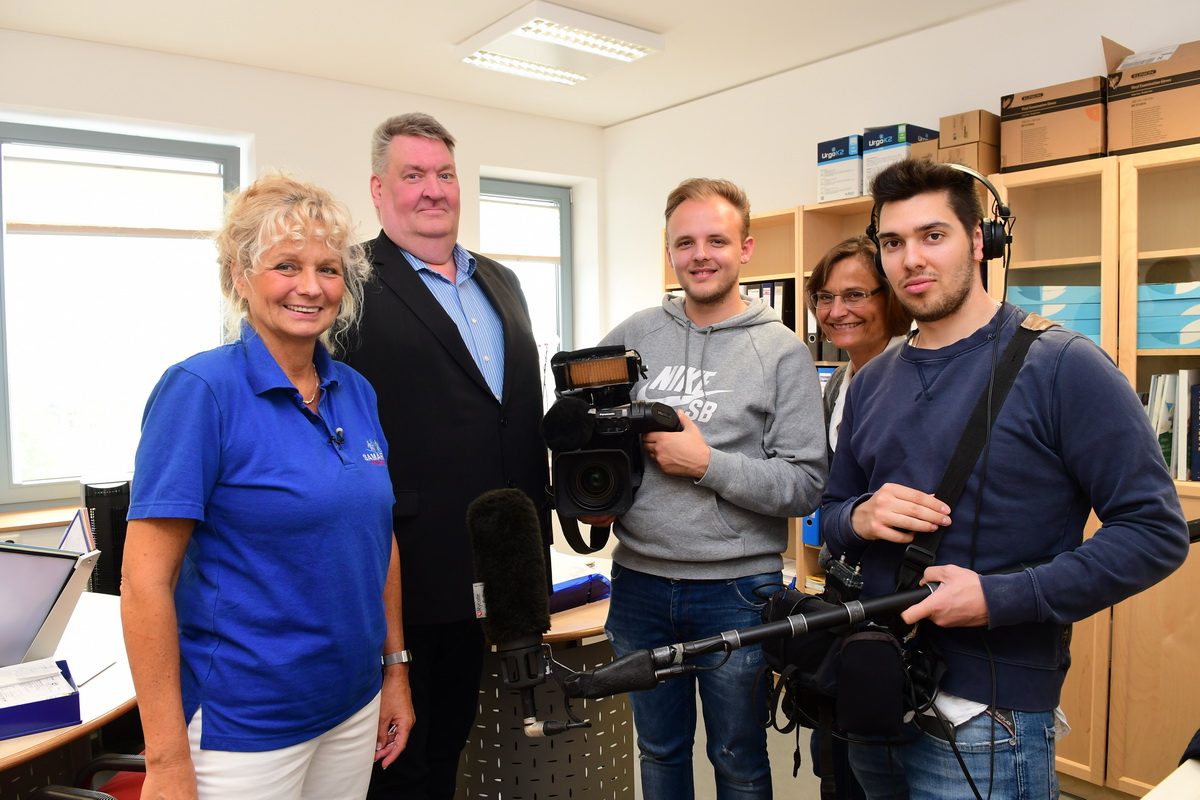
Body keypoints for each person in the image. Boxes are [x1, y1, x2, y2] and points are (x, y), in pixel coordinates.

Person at [820, 158, 1190, 800]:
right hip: (876, 691)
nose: (911, 259)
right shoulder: (873, 378)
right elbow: (829, 512)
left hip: (988, 715)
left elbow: (1154, 533)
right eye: (893, 242)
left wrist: (998, 598)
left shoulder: (1065, 366)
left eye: (933, 236)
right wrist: (859, 516)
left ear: (981, 240)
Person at [122, 173, 413, 800]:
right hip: (244, 725)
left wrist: (395, 670)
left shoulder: (356, 392)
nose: (311, 287)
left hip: (351, 705)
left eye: (328, 269)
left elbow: (376, 537)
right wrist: (166, 762)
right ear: (239, 277)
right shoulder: (200, 392)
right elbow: (144, 583)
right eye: (286, 266)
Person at [585, 177, 828, 799]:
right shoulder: (633, 335)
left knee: (739, 758)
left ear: (745, 248)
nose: (701, 255)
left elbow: (805, 486)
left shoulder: (783, 353)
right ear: (670, 253)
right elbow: (596, 441)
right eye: (685, 242)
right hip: (638, 583)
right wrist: (602, 501)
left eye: (716, 240)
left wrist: (705, 463)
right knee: (660, 753)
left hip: (737, 591)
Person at [342, 112, 550, 800]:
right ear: (379, 190)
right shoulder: (347, 285)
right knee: (400, 766)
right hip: (404, 572)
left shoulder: (501, 281)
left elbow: (508, 414)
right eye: (413, 175)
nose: (433, 190)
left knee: (451, 744)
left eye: (445, 174)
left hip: (496, 568)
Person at [802, 235, 911, 799]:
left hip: (898, 607)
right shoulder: (838, 381)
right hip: (843, 594)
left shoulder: (917, 374)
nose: (835, 311)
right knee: (838, 763)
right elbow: (829, 494)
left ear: (891, 297)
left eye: (854, 295)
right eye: (824, 297)